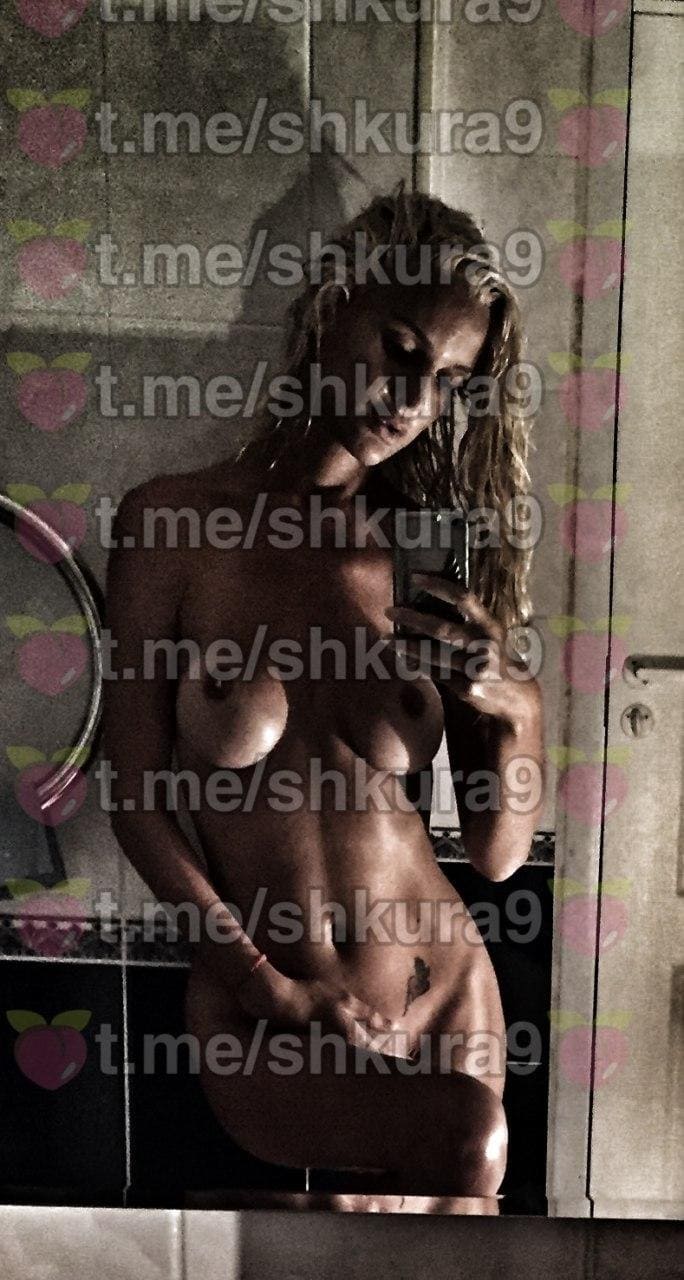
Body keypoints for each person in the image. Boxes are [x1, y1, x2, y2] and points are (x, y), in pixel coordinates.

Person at [103, 181, 544, 1214]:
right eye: (401, 348)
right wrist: (266, 985)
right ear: (334, 304)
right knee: (463, 1139)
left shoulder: (426, 553)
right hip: (265, 1008)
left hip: (444, 999)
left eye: (448, 379)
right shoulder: (173, 526)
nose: (414, 398)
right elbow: (138, 802)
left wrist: (518, 709)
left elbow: (496, 852)